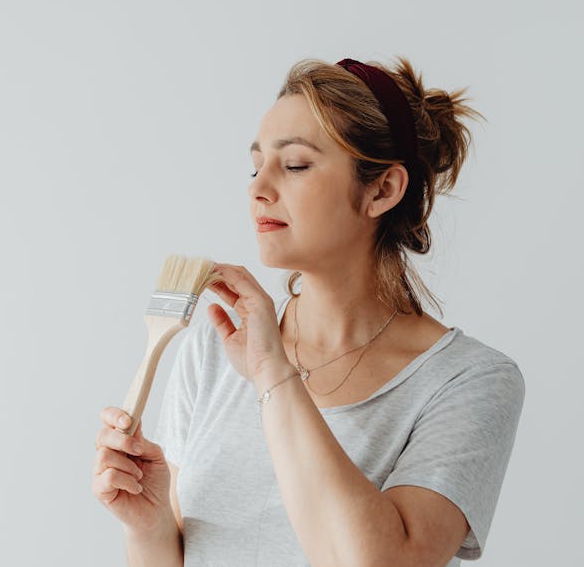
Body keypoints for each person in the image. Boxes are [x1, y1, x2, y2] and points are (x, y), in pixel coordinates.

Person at [91, 56, 525, 566]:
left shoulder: (469, 381)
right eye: (256, 166)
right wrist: (150, 528)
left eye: (294, 165)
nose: (257, 187)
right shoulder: (211, 347)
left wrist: (272, 374)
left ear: (382, 189)